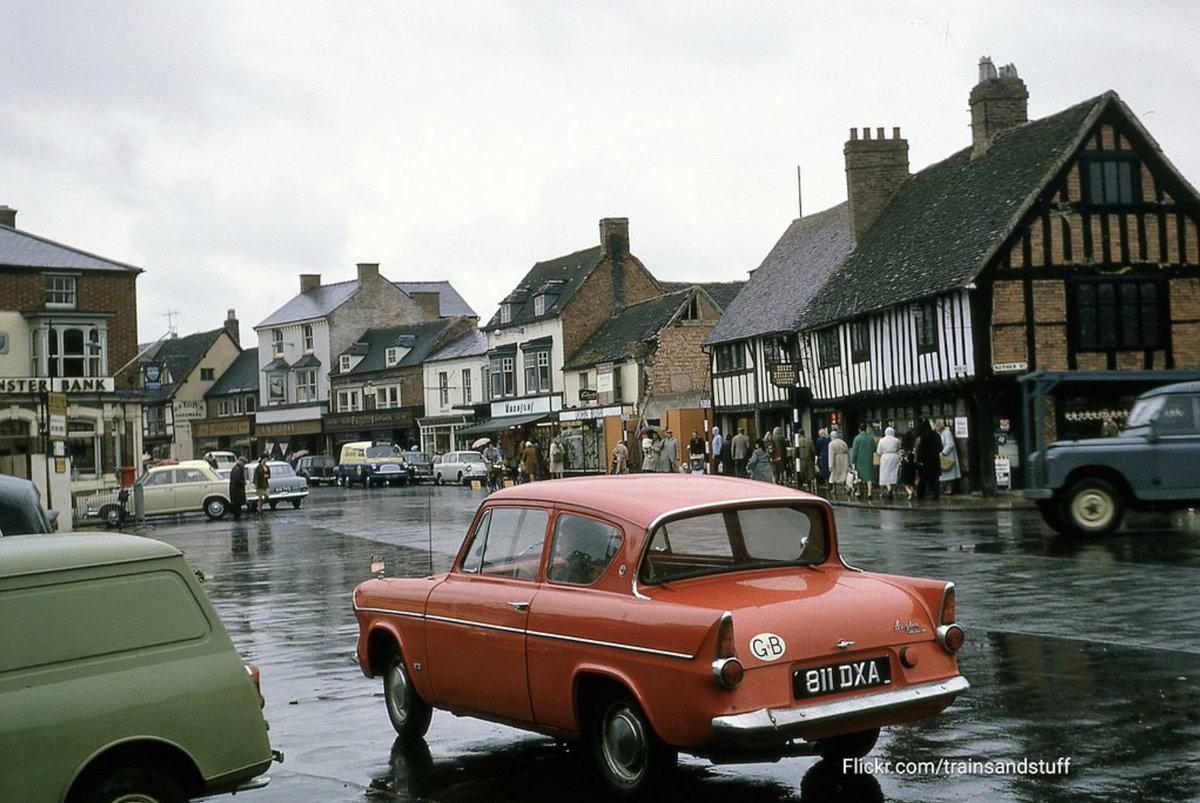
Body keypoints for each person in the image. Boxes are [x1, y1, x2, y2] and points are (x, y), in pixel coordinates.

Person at [915, 420, 942, 500]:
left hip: (925, 462)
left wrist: (919, 460)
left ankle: (920, 496)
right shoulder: (937, 435)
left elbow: (921, 450)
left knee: (923, 479)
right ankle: (935, 495)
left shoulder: (923, 437)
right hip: (935, 460)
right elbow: (940, 447)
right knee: (935, 479)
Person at [850, 423, 877, 497]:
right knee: (869, 476)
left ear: (859, 430)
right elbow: (874, 448)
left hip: (859, 460)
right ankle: (869, 492)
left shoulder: (857, 438)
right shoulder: (870, 438)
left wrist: (853, 460)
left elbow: (855, 451)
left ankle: (858, 491)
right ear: (866, 429)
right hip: (869, 459)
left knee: (858, 476)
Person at [876, 426, 902, 498]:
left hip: (885, 458)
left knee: (884, 474)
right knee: (893, 474)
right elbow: (898, 448)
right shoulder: (896, 440)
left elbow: (878, 451)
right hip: (894, 457)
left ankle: (887, 489)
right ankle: (892, 489)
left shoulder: (882, 440)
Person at [937, 421, 961, 495]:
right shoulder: (942, 433)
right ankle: (948, 488)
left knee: (949, 473)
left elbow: (950, 444)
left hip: (948, 457)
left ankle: (949, 489)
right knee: (946, 474)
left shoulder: (946, 433)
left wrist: (943, 453)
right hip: (945, 456)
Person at [827, 430, 849, 494]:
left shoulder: (831, 444)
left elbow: (831, 454)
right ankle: (846, 487)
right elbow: (847, 452)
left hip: (836, 460)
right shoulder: (843, 442)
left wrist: (830, 465)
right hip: (844, 459)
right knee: (844, 473)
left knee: (834, 474)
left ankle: (834, 489)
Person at [899, 429, 919, 500]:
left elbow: (901, 458)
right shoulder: (914, 448)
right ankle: (913, 491)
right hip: (913, 466)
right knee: (912, 481)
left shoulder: (904, 449)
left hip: (905, 466)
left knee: (905, 482)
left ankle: (909, 492)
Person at [252, 455, 271, 520]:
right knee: (260, 497)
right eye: (265, 459)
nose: (266, 460)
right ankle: (259, 508)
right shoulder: (258, 467)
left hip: (265, 483)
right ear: (262, 459)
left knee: (267, 496)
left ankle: (259, 506)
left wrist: (267, 476)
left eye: (267, 459)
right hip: (260, 483)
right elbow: (256, 476)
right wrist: (255, 483)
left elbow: (269, 475)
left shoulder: (267, 467)